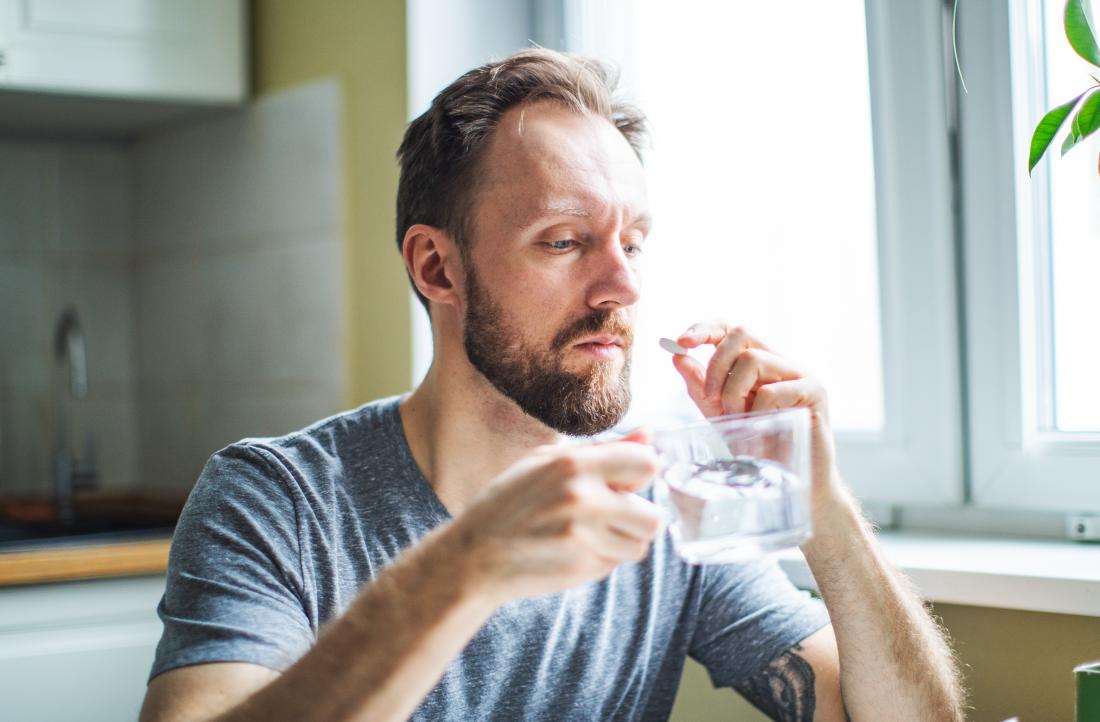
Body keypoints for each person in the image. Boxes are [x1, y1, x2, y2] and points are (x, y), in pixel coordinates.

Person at [139, 48, 965, 722]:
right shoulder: (275, 500)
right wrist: (466, 568)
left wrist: (825, 506)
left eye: (631, 243)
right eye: (567, 241)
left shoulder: (659, 505)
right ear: (437, 266)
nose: (623, 288)